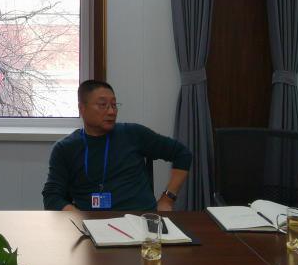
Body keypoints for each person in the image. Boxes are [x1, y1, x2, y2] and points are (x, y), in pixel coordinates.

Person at [42, 79, 192, 211]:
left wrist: (167, 199)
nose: (111, 111)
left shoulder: (133, 133)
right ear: (82, 108)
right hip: (91, 222)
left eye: (114, 105)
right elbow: (52, 196)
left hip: (139, 218)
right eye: (103, 105)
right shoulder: (65, 148)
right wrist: (77, 216)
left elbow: (182, 154)